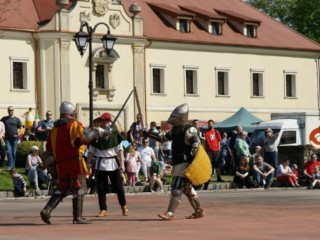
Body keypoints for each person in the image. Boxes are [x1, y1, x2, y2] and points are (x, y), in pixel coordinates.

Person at [146, 103, 205, 220]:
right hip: (178, 162)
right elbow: (163, 139)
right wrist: (149, 134)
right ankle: (198, 211)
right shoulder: (175, 130)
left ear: (182, 118)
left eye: (176, 117)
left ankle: (170, 213)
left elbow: (196, 144)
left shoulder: (190, 129)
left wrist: (193, 158)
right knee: (187, 189)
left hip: (185, 163)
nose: (173, 119)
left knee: (176, 189)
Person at [40, 101, 94, 225]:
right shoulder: (74, 125)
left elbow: (49, 148)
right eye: (74, 114)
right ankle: (78, 217)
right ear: (71, 114)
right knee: (80, 187)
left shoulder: (54, 129)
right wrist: (93, 135)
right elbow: (80, 140)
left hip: (61, 165)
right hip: (74, 163)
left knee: (62, 188)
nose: (75, 116)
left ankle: (47, 210)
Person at [87, 112, 128, 218]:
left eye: (107, 120)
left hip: (113, 164)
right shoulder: (96, 134)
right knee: (101, 188)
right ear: (101, 122)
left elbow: (120, 151)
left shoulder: (115, 134)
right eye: (103, 120)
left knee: (118, 187)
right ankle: (103, 209)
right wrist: (87, 164)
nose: (105, 122)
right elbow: (91, 151)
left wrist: (122, 164)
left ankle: (123, 206)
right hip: (100, 164)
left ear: (110, 122)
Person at [1, 106, 22, 171]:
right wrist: (2, 133)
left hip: (15, 138)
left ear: (13, 111)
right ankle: (11, 166)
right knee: (9, 152)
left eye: (12, 110)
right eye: (9, 110)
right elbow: (0, 125)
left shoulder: (17, 119)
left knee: (14, 153)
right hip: (7, 138)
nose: (10, 111)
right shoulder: (4, 119)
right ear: (8, 111)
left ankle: (13, 166)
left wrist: (19, 134)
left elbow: (20, 127)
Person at [204, 119, 224, 186]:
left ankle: (218, 177)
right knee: (209, 165)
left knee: (217, 164)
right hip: (209, 151)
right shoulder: (206, 132)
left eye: (211, 123)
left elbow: (219, 141)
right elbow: (205, 142)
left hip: (216, 150)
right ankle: (208, 177)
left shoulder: (216, 132)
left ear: (213, 124)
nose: (210, 125)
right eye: (209, 124)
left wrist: (218, 149)